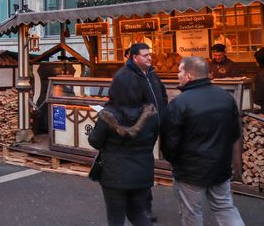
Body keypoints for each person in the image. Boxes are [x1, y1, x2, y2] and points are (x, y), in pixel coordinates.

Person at [161, 57, 244, 226]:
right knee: (225, 207)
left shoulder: (179, 103)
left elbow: (169, 143)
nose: (178, 75)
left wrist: (173, 162)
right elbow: (234, 133)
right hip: (220, 166)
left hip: (190, 171)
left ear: (189, 76)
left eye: (180, 71)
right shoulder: (226, 98)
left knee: (191, 212)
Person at [89, 75, 159, 226]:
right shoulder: (151, 113)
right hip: (142, 172)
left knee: (116, 219)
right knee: (138, 214)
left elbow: (95, 142)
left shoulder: (108, 114)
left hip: (114, 175)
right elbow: (153, 138)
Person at [111, 43, 167, 221]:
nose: (150, 57)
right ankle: (142, 209)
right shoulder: (127, 76)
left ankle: (141, 208)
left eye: (150, 54)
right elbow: (122, 101)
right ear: (134, 57)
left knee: (145, 166)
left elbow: (162, 96)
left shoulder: (151, 74)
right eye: (145, 55)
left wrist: (163, 115)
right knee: (140, 167)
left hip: (153, 127)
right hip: (139, 130)